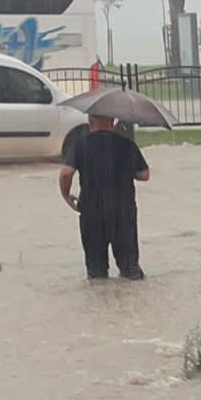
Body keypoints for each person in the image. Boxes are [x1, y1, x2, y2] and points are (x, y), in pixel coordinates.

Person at [60, 114, 151, 280]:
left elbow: (66, 173)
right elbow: (144, 175)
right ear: (112, 122)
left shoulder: (79, 145)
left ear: (90, 121)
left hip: (91, 213)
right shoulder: (127, 145)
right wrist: (125, 169)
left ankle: (100, 296)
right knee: (131, 272)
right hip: (123, 213)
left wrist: (66, 195)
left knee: (96, 274)